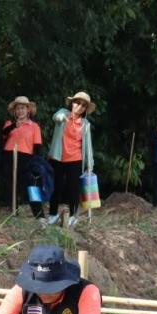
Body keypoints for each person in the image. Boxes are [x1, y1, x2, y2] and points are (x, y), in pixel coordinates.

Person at [45, 92, 96, 226]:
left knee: (74, 189)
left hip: (76, 159)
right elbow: (56, 117)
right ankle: (52, 214)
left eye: (83, 106)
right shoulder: (63, 113)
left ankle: (73, 216)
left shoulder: (85, 124)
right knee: (56, 187)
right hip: (58, 157)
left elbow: (88, 146)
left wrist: (90, 164)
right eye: (77, 103)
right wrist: (62, 117)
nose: (79, 107)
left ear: (85, 109)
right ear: (72, 103)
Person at [0, 96, 45, 218]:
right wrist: (14, 126)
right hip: (9, 157)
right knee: (10, 186)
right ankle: (13, 213)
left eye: (22, 108)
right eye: (18, 108)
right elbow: (3, 135)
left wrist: (36, 163)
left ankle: (39, 216)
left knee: (32, 186)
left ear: (28, 110)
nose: (20, 111)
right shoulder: (9, 124)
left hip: (26, 158)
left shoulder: (34, 126)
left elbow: (38, 147)